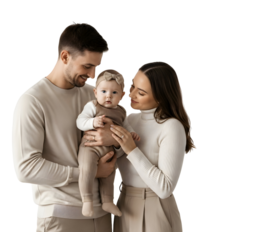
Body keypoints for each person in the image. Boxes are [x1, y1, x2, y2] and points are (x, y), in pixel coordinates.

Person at [10, 22, 122, 232]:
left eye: (96, 67)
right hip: (61, 218)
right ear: (64, 57)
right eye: (87, 66)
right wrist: (89, 173)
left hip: (104, 215)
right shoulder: (32, 101)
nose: (92, 75)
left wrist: (114, 139)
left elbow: (121, 142)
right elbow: (25, 169)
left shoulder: (95, 94)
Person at [83, 61, 199, 232]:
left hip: (155, 208)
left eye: (141, 92)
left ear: (160, 97)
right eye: (131, 86)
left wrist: (131, 149)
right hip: (123, 203)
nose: (130, 94)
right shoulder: (129, 120)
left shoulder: (171, 127)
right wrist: (113, 144)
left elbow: (165, 188)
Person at [76, 69, 140, 217]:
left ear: (123, 95)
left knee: (110, 175)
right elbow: (80, 122)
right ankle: (87, 200)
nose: (108, 96)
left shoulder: (122, 112)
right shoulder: (93, 106)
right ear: (95, 92)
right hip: (90, 147)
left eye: (114, 93)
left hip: (109, 149)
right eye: (103, 91)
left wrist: (131, 134)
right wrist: (92, 122)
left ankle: (108, 201)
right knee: (86, 169)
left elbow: (126, 127)